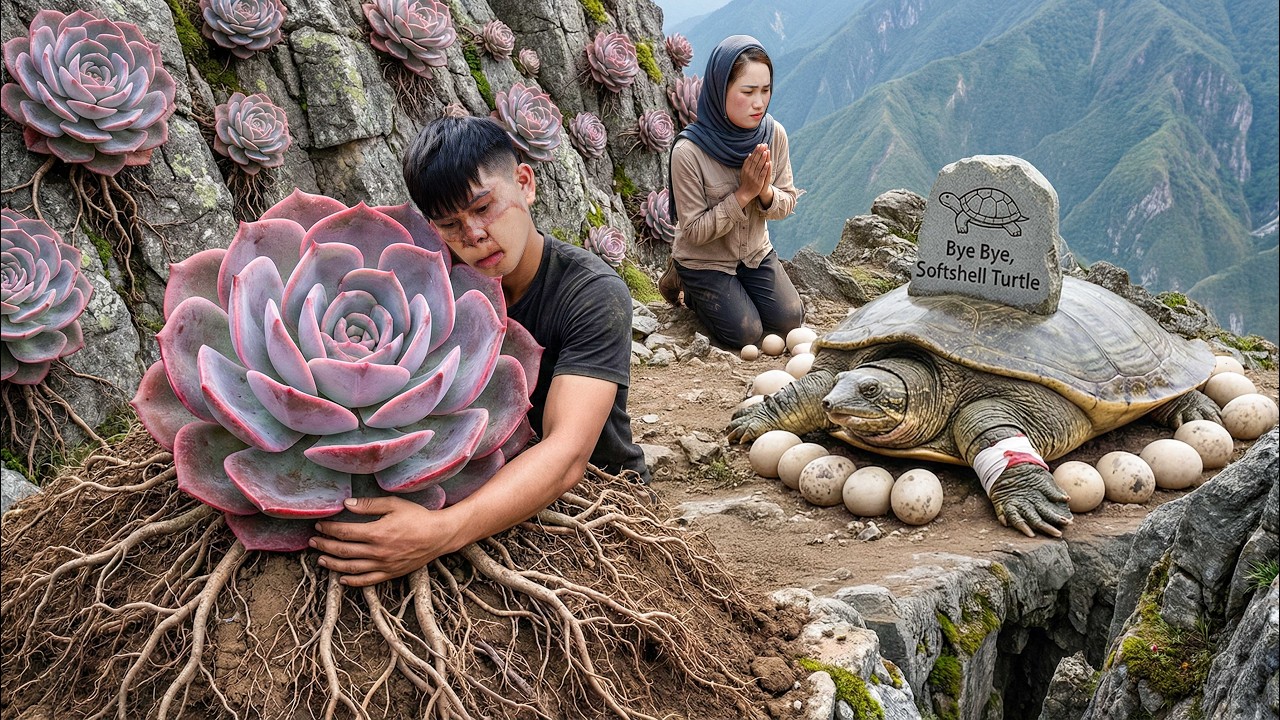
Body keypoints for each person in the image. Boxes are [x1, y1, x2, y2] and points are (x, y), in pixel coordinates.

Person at [309, 116, 648, 587]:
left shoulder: (591, 293)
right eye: (450, 225)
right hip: (478, 478)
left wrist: (439, 532)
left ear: (525, 183)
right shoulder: (432, 281)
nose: (474, 235)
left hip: (596, 500)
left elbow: (568, 453)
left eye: (484, 208)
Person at [664, 34, 804, 349]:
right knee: (747, 334)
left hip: (754, 252)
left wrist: (765, 192)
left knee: (791, 319)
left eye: (766, 90)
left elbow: (787, 200)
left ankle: (740, 290)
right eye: (748, 91)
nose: (759, 102)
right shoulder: (689, 151)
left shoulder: (774, 134)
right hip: (705, 260)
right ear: (719, 90)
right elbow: (695, 231)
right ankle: (683, 278)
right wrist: (743, 195)